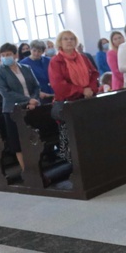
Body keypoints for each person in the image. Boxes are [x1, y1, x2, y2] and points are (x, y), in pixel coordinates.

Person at [48, 30, 99, 163]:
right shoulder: (56, 61)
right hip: (67, 104)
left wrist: (90, 89)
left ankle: (92, 160)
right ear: (60, 42)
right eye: (65, 39)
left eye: (71, 39)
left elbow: (94, 74)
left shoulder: (83, 58)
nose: (69, 41)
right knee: (70, 139)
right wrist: (81, 90)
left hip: (86, 101)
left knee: (89, 135)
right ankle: (73, 166)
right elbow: (59, 85)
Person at [0, 42, 40, 170]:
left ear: (15, 55)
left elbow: (36, 86)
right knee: (17, 142)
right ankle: (26, 170)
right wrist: (28, 100)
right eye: (3, 55)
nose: (5, 57)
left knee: (33, 138)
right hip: (12, 110)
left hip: (31, 107)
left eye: (8, 54)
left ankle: (37, 166)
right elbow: (6, 93)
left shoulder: (26, 68)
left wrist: (34, 100)